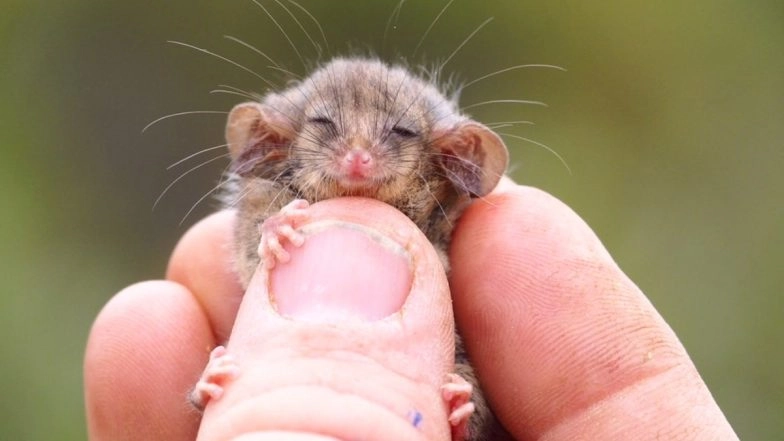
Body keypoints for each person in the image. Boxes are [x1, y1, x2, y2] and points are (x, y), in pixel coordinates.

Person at [84, 181, 739, 440]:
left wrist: (464, 405)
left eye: (394, 135)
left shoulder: (461, 270)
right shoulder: (267, 228)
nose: (360, 160)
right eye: (328, 131)